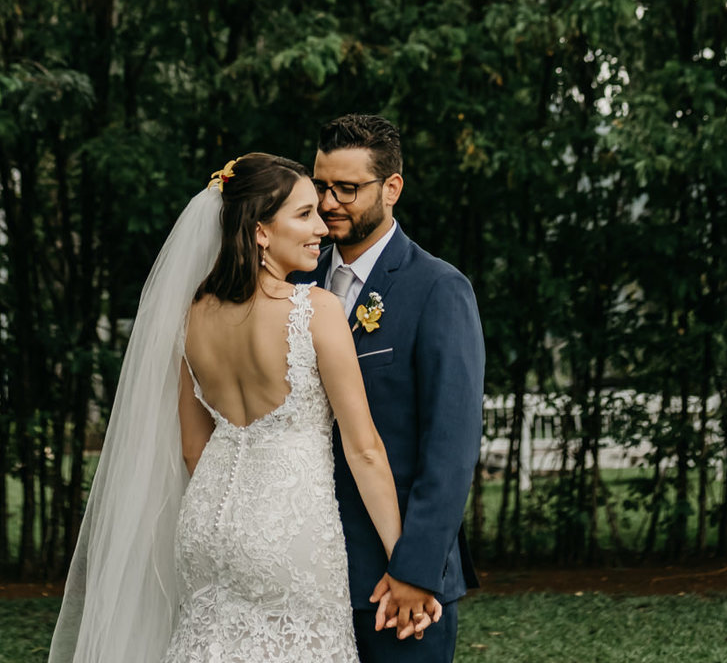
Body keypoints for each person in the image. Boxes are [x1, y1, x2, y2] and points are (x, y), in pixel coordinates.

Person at [47, 151, 439, 663]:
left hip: (205, 526)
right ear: (259, 232)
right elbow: (364, 450)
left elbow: (193, 449)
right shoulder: (314, 310)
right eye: (303, 215)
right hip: (287, 526)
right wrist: (403, 560)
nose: (321, 225)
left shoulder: (191, 316)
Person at [302, 113, 485, 663]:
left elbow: (451, 448)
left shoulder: (438, 289)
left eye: (347, 189)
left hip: (397, 584)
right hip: (306, 572)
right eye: (319, 187)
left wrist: (414, 569)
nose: (329, 202)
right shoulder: (294, 283)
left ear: (392, 188)